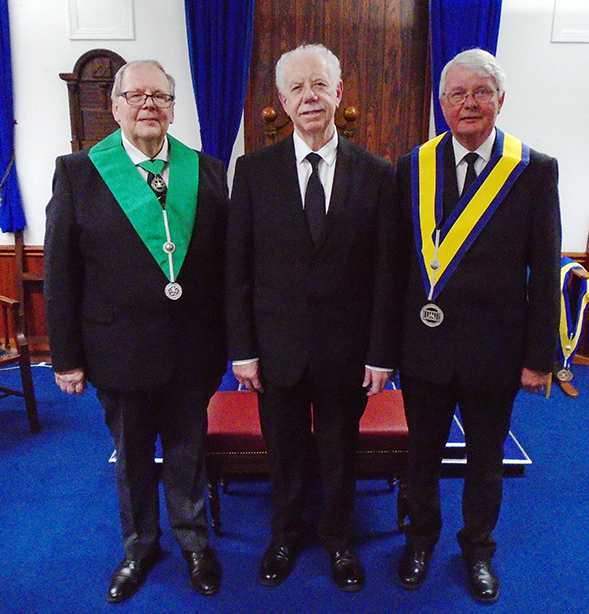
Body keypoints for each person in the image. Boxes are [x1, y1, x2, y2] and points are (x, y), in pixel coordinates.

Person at [44, 60, 228, 603]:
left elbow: (225, 267)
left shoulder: (207, 171)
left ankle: (195, 543)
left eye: (160, 96)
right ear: (116, 105)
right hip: (117, 350)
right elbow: (59, 273)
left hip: (191, 350)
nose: (149, 104)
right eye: (137, 95)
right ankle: (140, 547)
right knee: (132, 459)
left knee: (188, 454)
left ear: (173, 107)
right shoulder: (79, 172)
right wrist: (66, 358)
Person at [226, 44, 401, 592]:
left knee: (339, 451)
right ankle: (284, 535)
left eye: (319, 84)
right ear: (282, 101)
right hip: (275, 348)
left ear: (339, 93)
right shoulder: (252, 172)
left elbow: (387, 274)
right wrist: (242, 349)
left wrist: (381, 354)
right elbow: (237, 270)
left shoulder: (377, 174)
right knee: (283, 451)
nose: (309, 96)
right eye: (297, 88)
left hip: (347, 352)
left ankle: (338, 540)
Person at [395, 48, 561, 603]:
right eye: (457, 94)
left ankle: (478, 549)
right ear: (442, 103)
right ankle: (420, 540)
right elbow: (396, 266)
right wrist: (387, 349)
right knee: (421, 456)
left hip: (496, 351)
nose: (469, 103)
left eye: (481, 92)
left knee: (485, 461)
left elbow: (545, 270)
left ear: (500, 100)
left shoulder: (533, 170)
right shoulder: (412, 166)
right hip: (424, 347)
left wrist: (539, 358)